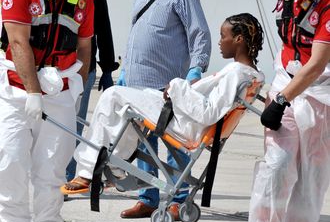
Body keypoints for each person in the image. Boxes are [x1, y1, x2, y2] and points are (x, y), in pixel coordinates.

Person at [63, 12, 264, 202]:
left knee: (112, 95)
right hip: (185, 118)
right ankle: (114, 164)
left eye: (223, 36)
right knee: (127, 107)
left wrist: (177, 87)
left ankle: (87, 171)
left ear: (239, 39)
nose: (220, 42)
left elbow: (209, 112)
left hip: (184, 124)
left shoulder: (237, 74)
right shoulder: (251, 74)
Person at [0, 0, 94, 222]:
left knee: (51, 173)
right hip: (16, 90)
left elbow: (84, 47)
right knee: (9, 162)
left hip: (60, 93)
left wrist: (77, 86)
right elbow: (18, 41)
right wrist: (32, 93)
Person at [118, 0, 211, 220]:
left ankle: (179, 197)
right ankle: (148, 197)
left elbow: (200, 34)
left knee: (174, 143)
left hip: (167, 86)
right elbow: (138, 33)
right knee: (143, 144)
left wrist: (196, 70)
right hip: (137, 83)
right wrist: (124, 73)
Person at [249, 0, 330, 222]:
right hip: (286, 83)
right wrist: (280, 94)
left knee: (310, 183)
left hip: (320, 96)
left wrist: (282, 99)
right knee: (276, 168)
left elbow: (317, 63)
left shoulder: (329, 4)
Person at [65, 0, 119, 182]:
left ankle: (68, 175)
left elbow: (104, 33)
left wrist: (107, 70)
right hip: (52, 67)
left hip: (83, 69)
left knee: (74, 123)